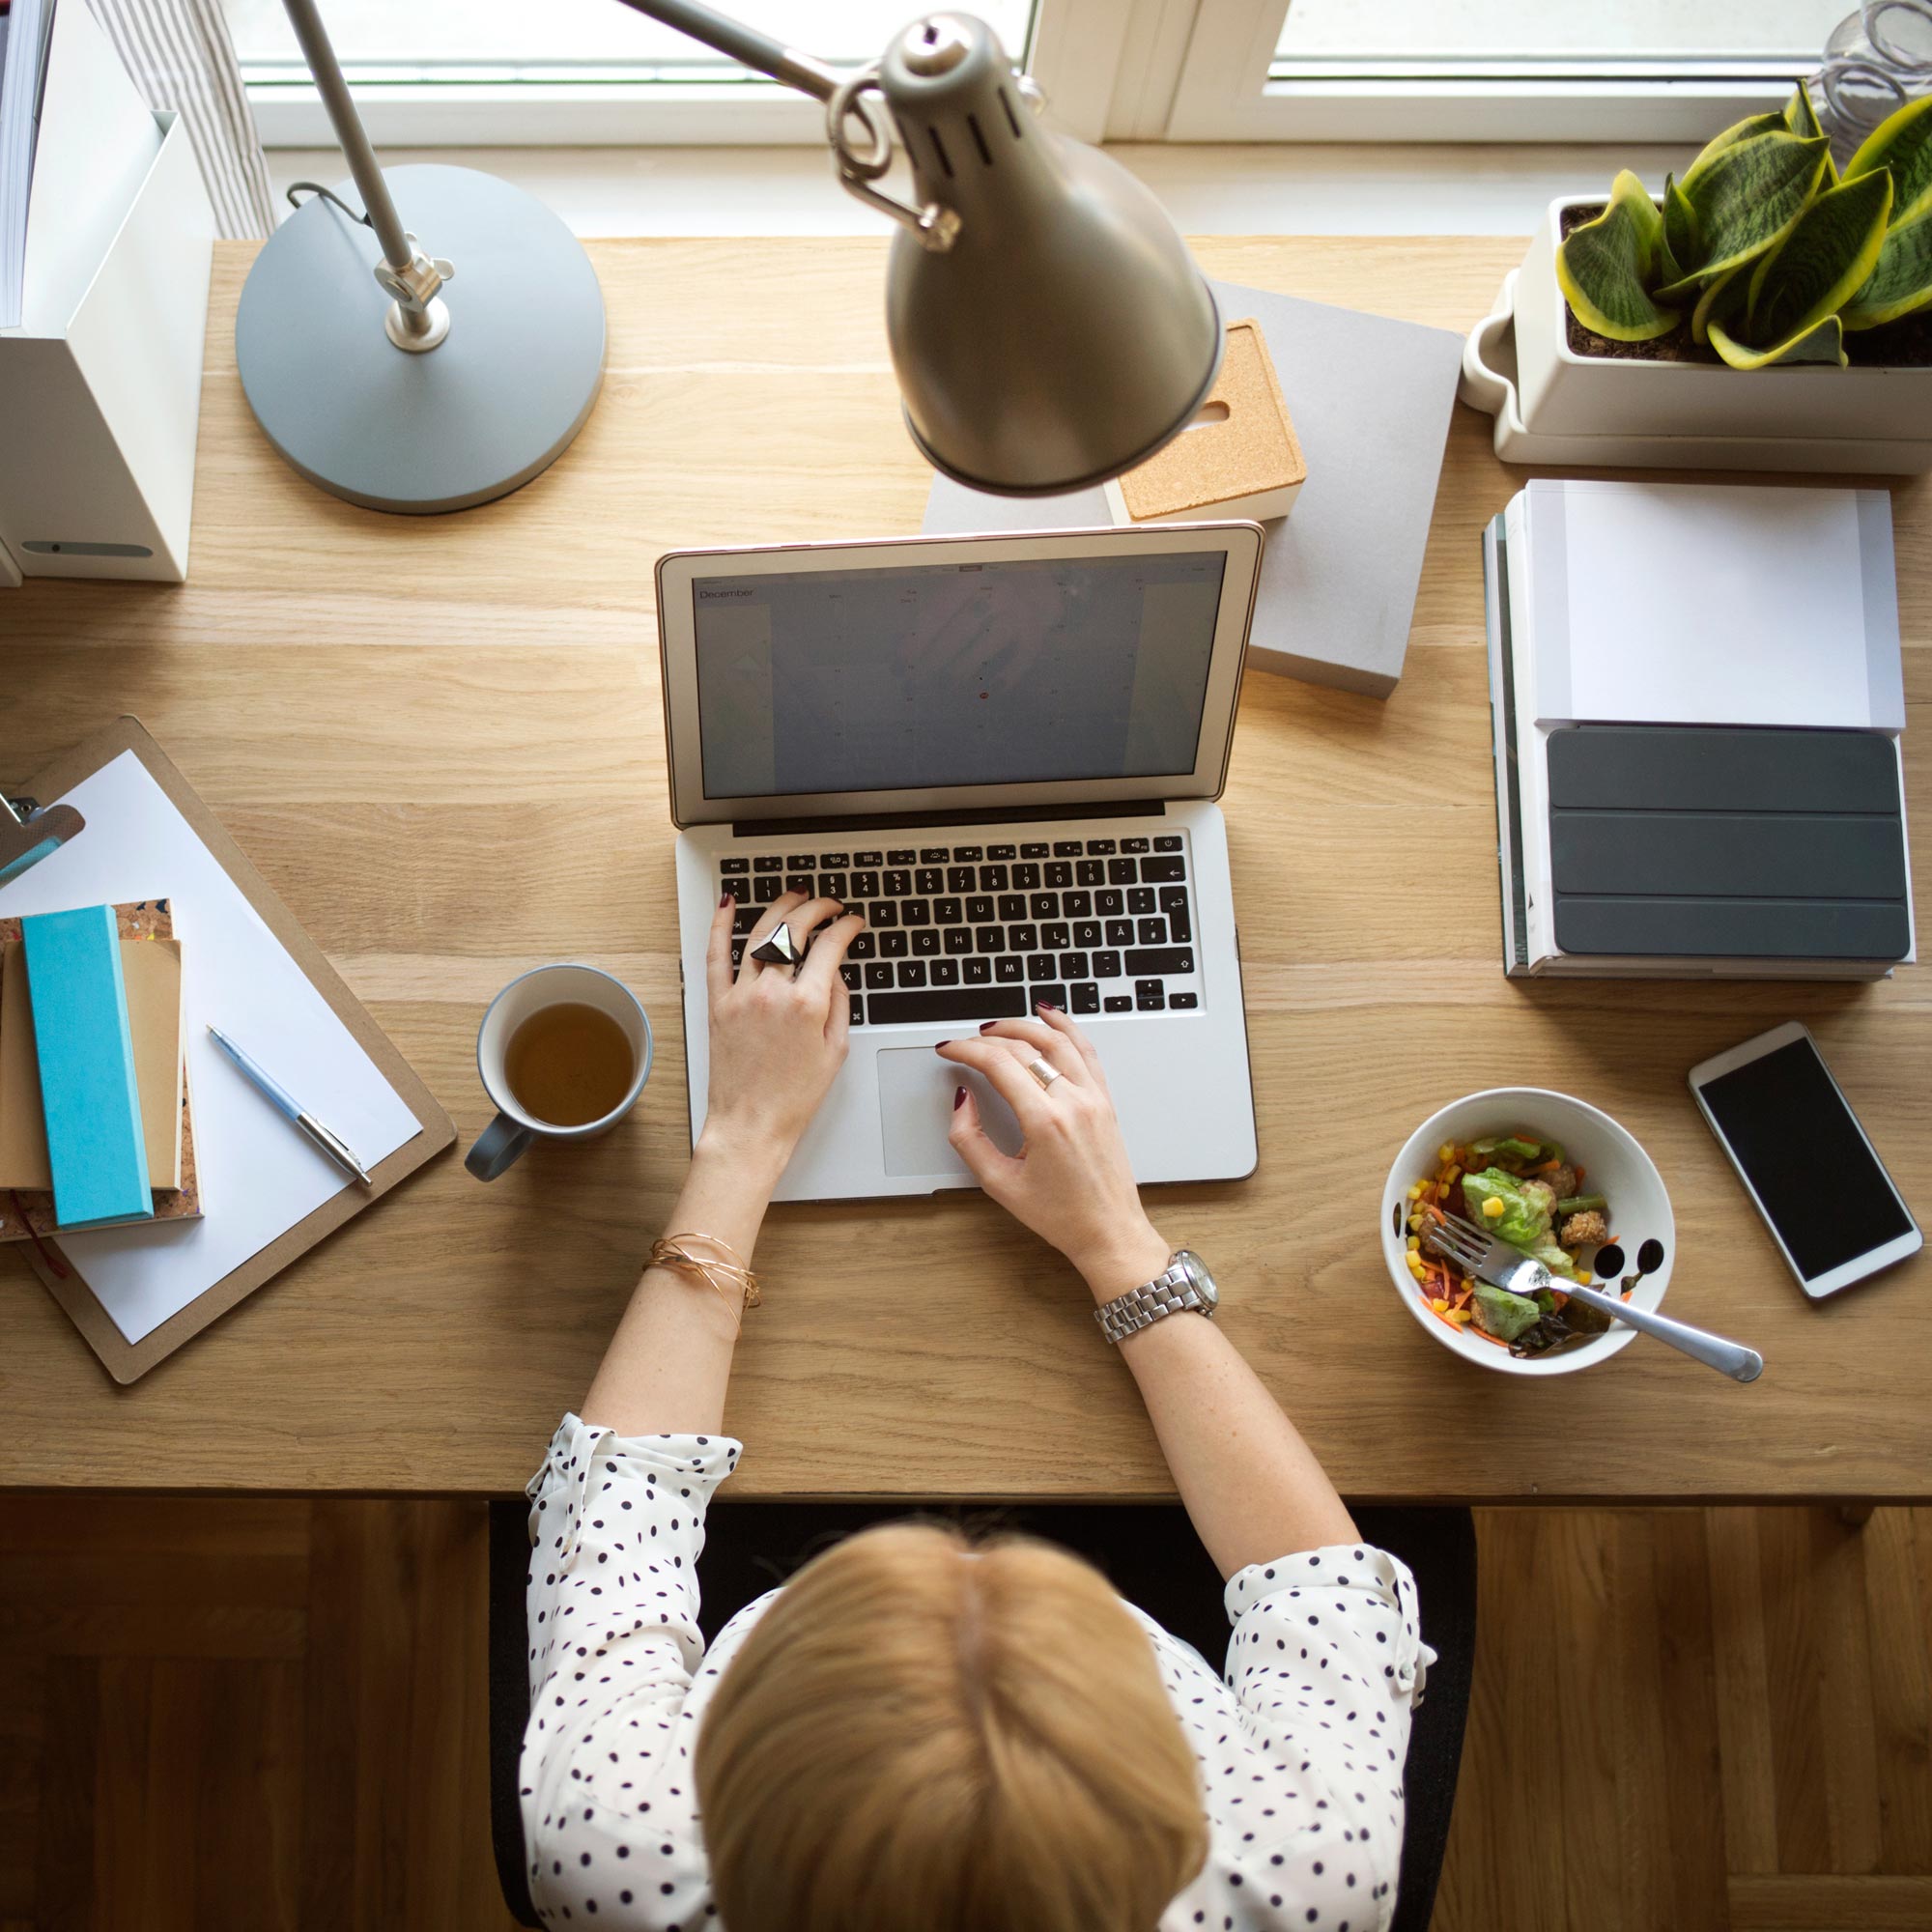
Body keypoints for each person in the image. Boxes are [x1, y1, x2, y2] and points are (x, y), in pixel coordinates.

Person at [522, 889, 1434, 1932]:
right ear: (1175, 1802)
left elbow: (614, 1503)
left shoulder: (609, 1847)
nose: (963, 1552)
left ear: (721, 1775)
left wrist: (740, 1137)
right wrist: (1117, 1245)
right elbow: (1320, 1590)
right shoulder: (1308, 1869)